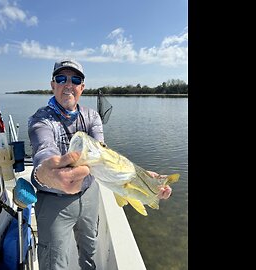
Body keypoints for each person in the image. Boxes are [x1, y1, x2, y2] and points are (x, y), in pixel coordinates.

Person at [28, 58, 172, 270]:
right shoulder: (41, 119)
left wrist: (137, 174)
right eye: (61, 78)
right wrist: (44, 173)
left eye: (75, 79)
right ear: (53, 84)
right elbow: (44, 149)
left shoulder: (91, 116)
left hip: (89, 195)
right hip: (53, 200)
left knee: (90, 249)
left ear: (82, 87)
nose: (68, 84)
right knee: (53, 261)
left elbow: (103, 153)